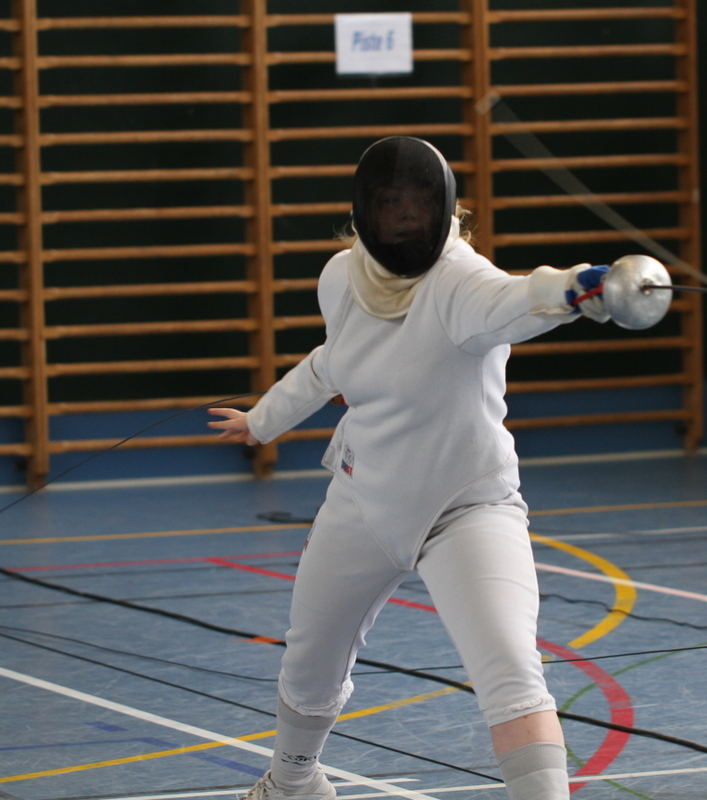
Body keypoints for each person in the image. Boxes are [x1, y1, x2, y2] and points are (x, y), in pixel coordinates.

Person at [208, 136, 615, 800]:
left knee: (511, 671)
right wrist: (261, 420)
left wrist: (578, 289)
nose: (403, 215)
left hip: (465, 509)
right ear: (365, 211)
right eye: (389, 202)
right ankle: (293, 783)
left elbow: (518, 299)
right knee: (309, 658)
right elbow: (331, 362)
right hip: (363, 500)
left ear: (443, 208)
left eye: (417, 203)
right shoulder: (340, 278)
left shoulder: (461, 284)